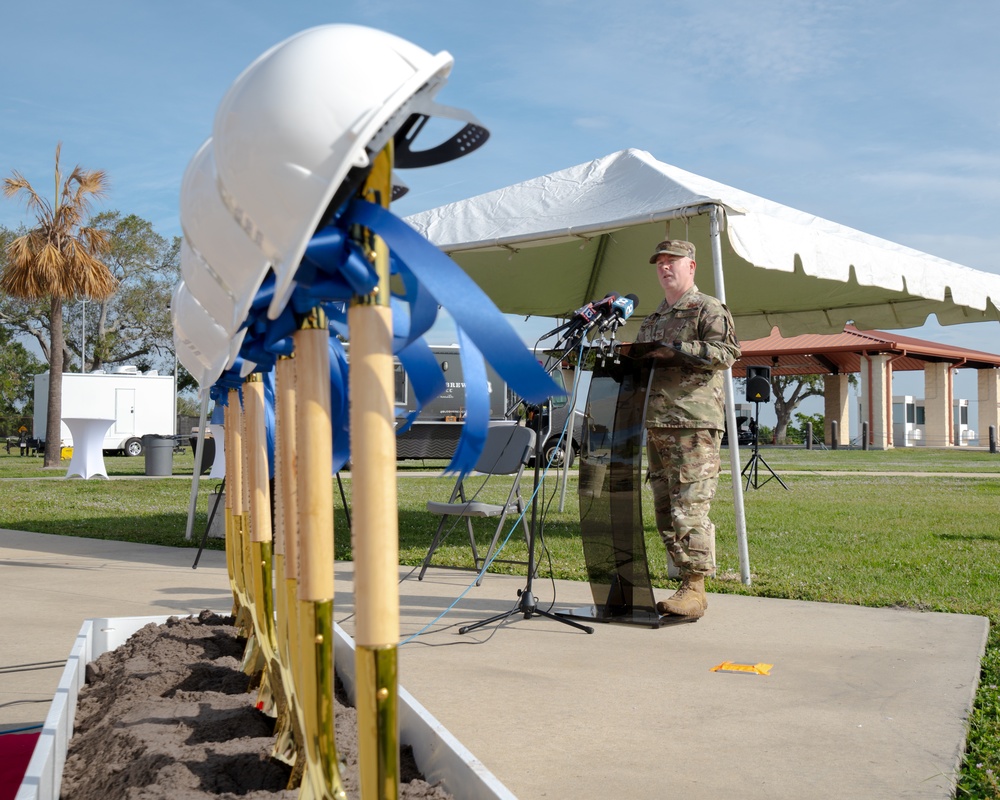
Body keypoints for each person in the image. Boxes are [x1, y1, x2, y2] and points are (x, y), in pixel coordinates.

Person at [633, 239, 741, 618]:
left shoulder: (707, 308)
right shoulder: (652, 319)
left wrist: (678, 349)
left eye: (672, 261)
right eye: (659, 262)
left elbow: (726, 354)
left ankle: (695, 589)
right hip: (656, 424)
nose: (665, 267)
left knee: (689, 506)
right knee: (664, 508)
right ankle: (683, 581)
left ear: (691, 266)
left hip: (693, 423)